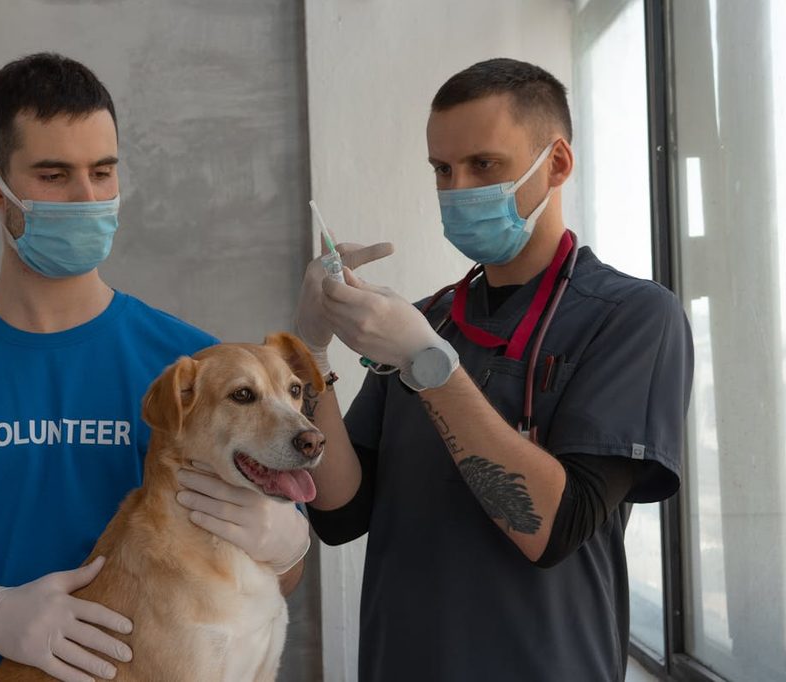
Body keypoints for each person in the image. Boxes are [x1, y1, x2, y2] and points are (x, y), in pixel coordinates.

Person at [0, 52, 311, 682]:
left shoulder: (202, 373)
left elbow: (260, 585)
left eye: (103, 172)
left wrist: (288, 545)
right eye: (54, 175)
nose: (87, 198)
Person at [295, 58, 694, 681]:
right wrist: (312, 356)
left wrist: (429, 365)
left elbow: (556, 529)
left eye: (484, 165)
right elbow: (342, 513)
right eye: (442, 170)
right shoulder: (429, 319)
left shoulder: (634, 316)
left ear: (556, 164)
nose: (457, 191)